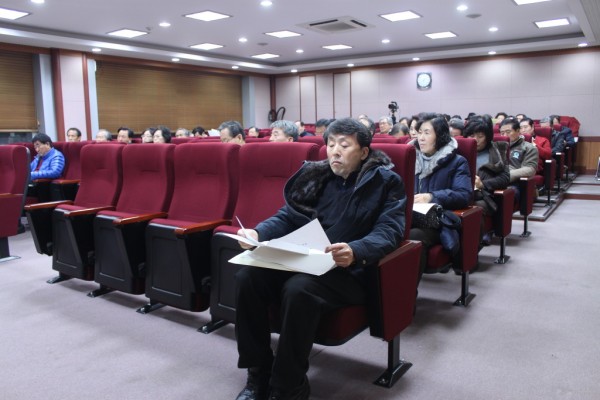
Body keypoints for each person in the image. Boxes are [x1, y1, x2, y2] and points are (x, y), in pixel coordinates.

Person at [233, 118, 406, 400]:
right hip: (307, 261)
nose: (334, 151)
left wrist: (356, 250)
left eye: (344, 145)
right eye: (331, 143)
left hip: (348, 270)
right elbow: (288, 216)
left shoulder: (385, 182)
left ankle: (289, 386)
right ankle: (258, 373)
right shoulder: (317, 176)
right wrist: (258, 232)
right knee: (248, 276)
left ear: (364, 152)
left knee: (299, 288)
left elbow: (390, 230)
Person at [408, 113, 472, 279]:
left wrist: (431, 197)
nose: (421, 138)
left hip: (436, 221)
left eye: (427, 133)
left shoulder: (457, 162)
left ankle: (408, 293)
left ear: (440, 136)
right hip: (408, 215)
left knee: (413, 236)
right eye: (419, 132)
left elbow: (464, 195)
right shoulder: (409, 158)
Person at [464, 116, 510, 245]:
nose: (475, 140)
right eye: (471, 135)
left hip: (485, 196)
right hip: (462, 193)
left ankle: (473, 247)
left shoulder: (497, 151)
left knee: (474, 209)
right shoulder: (461, 150)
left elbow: (505, 178)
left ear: (487, 137)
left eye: (480, 136)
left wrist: (483, 184)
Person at [499, 118, 538, 203]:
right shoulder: (496, 146)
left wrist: (504, 176)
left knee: (505, 194)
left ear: (518, 131)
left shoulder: (528, 147)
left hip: (516, 183)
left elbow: (529, 169)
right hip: (494, 181)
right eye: (502, 133)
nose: (504, 135)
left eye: (508, 132)